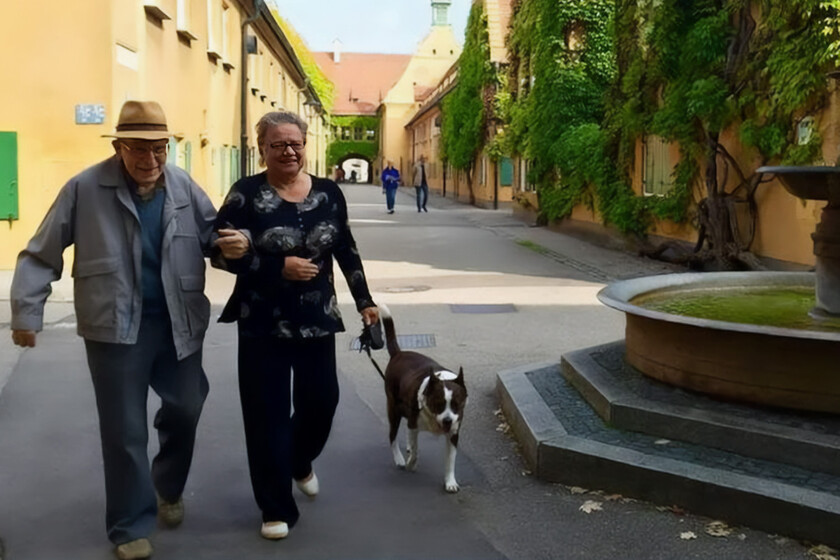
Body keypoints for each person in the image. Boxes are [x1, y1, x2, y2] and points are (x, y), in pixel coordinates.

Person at [9, 100, 221, 560]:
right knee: (124, 430)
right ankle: (129, 526)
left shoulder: (183, 185)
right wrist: (26, 311)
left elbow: (213, 237)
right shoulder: (85, 187)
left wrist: (234, 247)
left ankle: (167, 486)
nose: (150, 160)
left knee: (186, 407)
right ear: (119, 146)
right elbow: (41, 252)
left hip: (178, 321)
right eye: (139, 149)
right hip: (114, 325)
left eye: (159, 149)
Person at [211, 111, 379, 541]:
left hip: (316, 319)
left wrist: (365, 301)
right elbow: (216, 251)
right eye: (278, 144)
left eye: (295, 143)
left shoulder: (328, 193)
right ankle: (274, 507)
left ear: (305, 145)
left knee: (322, 403)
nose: (288, 151)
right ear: (262, 148)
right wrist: (273, 267)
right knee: (265, 417)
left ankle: (298, 460)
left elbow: (345, 248)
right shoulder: (245, 194)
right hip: (261, 323)